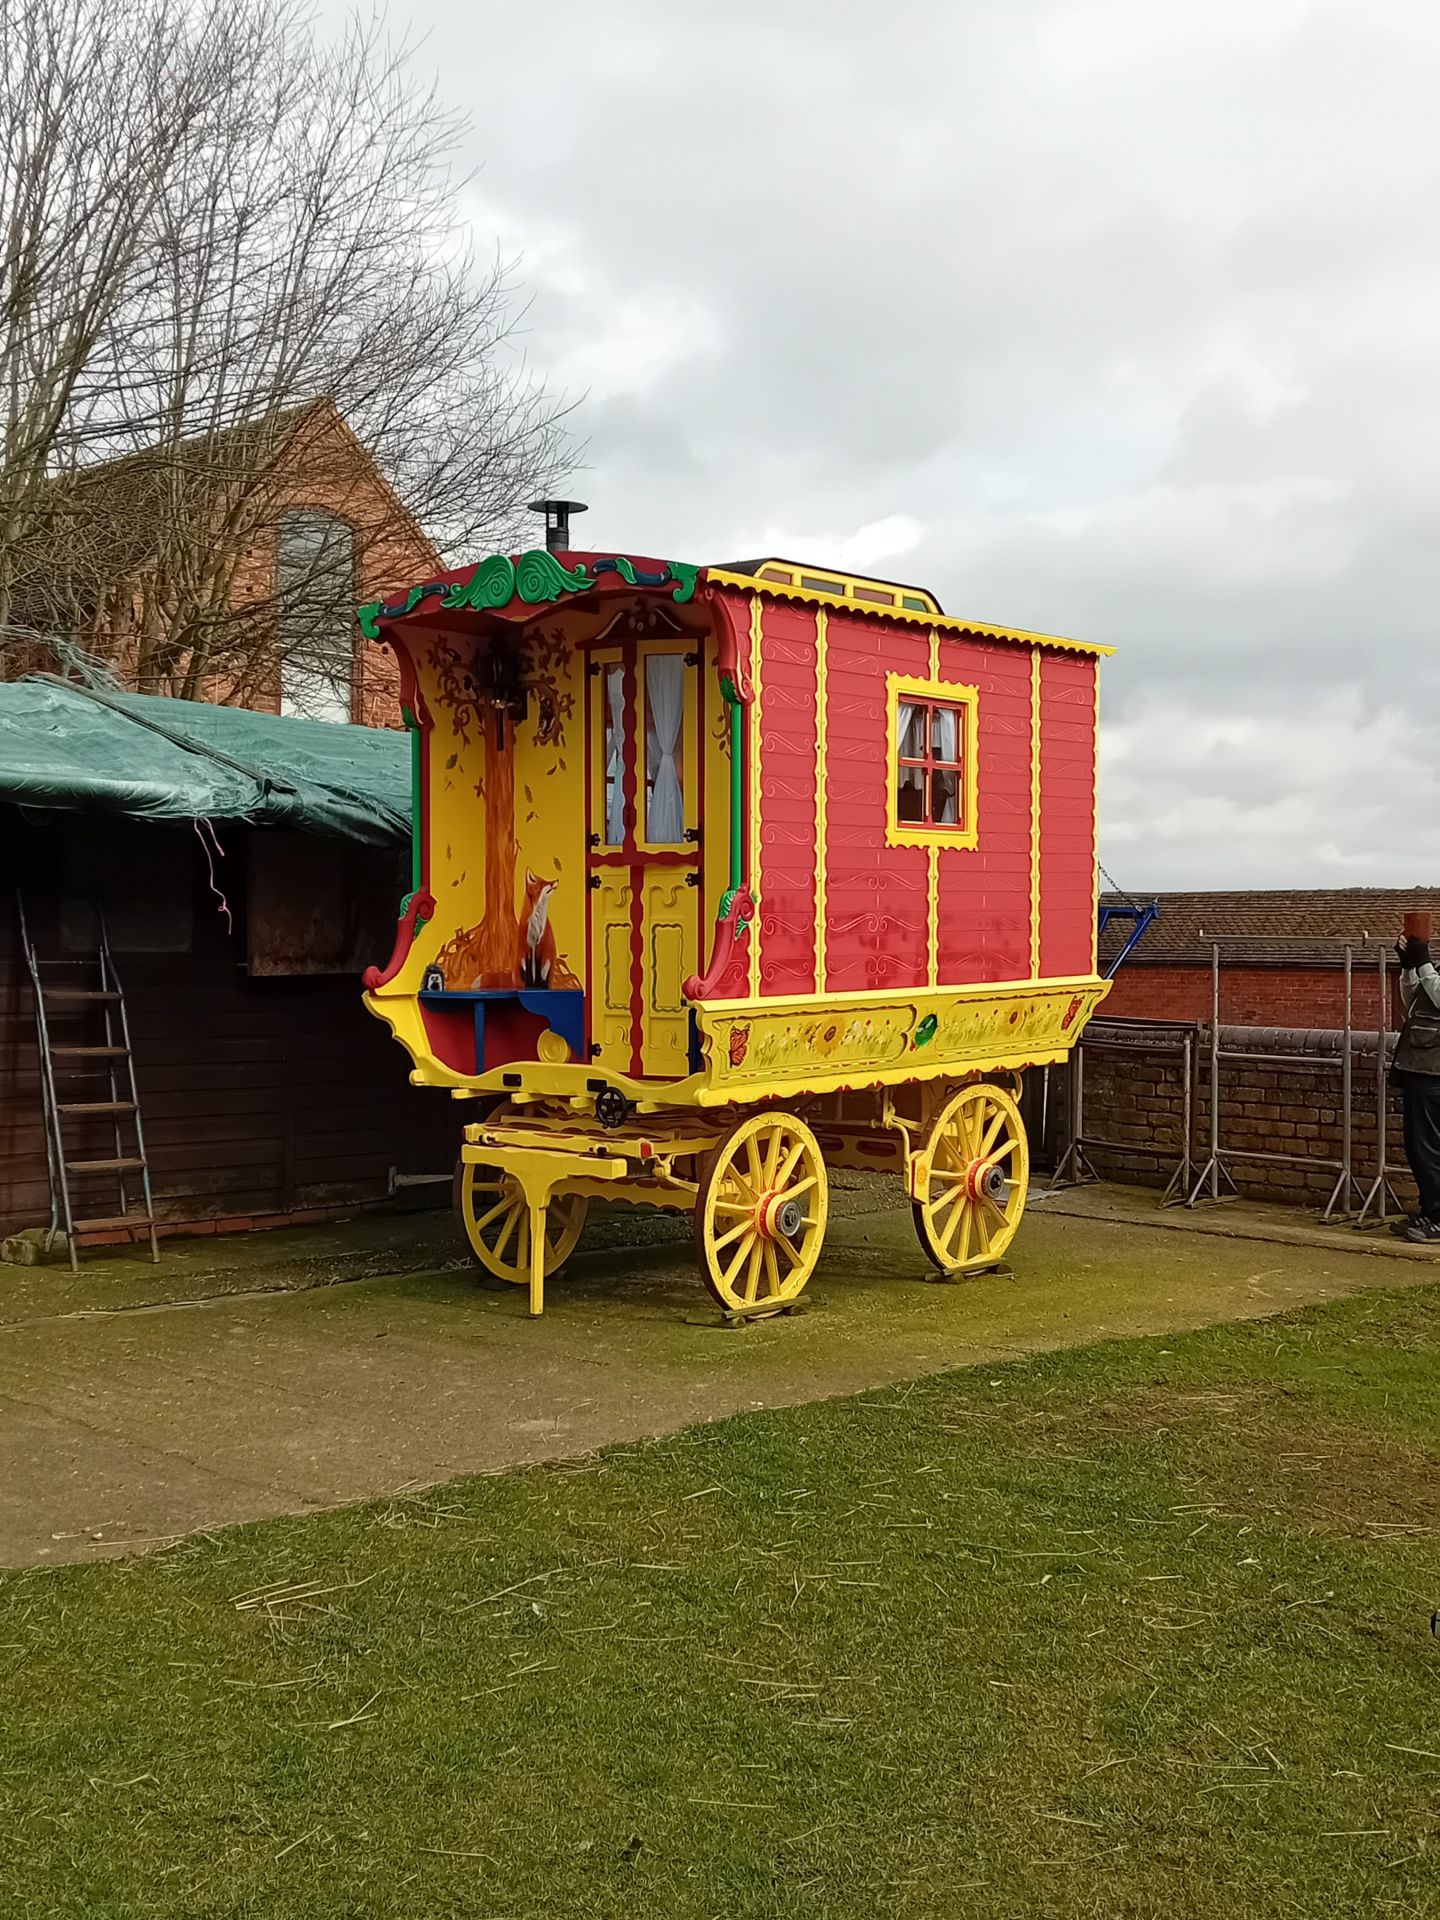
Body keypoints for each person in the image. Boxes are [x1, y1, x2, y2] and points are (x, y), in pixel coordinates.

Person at [1392, 926, 1440, 1242]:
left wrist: (1423, 962)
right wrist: (1409, 965)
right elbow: (1412, 1002)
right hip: (1417, 1066)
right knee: (1416, 1145)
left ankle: (1439, 1218)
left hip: (1435, 1071)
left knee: (1431, 1147)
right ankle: (1428, 1210)